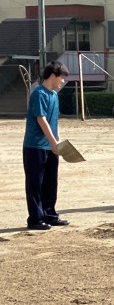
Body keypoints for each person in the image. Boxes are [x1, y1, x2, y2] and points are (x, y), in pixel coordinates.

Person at [23, 61, 71, 230]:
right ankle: (35, 219)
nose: (63, 81)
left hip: (51, 146)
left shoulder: (54, 96)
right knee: (35, 183)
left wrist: (57, 142)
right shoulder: (38, 93)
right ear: (52, 76)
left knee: (51, 182)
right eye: (62, 77)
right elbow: (41, 119)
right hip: (35, 146)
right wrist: (53, 142)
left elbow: (53, 121)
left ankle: (50, 215)